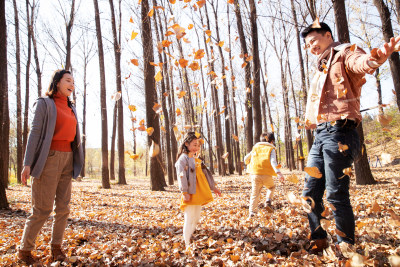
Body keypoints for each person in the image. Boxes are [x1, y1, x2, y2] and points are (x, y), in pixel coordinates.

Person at [300, 21, 400, 254]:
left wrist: (378, 56)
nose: (311, 46)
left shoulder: (345, 52)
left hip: (340, 132)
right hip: (321, 133)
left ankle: (345, 245)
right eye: (307, 45)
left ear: (327, 35)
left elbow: (361, 64)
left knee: (335, 193)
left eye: (314, 40)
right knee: (309, 193)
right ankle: (319, 240)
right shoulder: (321, 66)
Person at [18, 70, 84, 264]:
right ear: (57, 82)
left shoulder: (72, 107)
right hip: (49, 159)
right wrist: (27, 164)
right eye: (68, 80)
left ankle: (57, 248)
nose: (72, 84)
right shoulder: (44, 104)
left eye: (73, 81)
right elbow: (35, 133)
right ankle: (24, 250)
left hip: (68, 159)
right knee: (42, 209)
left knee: (63, 208)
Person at [175, 132, 221, 248]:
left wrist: (213, 187)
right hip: (189, 193)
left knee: (196, 217)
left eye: (198, 145)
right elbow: (181, 175)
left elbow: (206, 174)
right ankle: (186, 242)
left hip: (199, 193)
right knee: (189, 217)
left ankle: (190, 237)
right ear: (186, 144)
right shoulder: (183, 159)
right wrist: (184, 192)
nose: (197, 147)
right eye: (194, 145)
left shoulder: (197, 160)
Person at [244, 132, 284, 218]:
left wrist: (247, 162)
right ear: (272, 141)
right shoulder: (271, 148)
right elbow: (273, 161)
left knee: (255, 193)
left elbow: (245, 158)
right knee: (271, 187)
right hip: (266, 174)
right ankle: (268, 201)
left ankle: (252, 212)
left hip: (255, 174)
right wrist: (278, 172)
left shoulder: (256, 148)